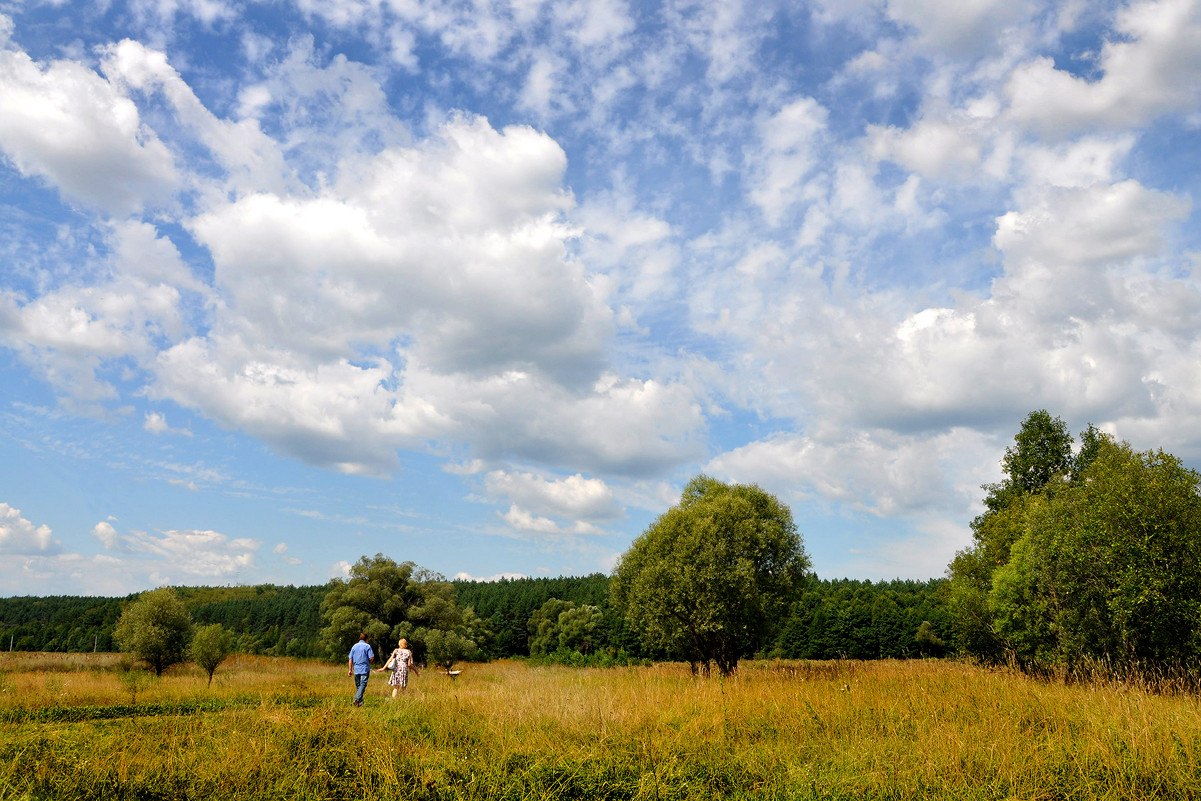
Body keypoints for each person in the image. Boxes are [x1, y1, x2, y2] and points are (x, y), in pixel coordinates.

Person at [348, 632, 374, 707]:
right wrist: (369, 663)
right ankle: (356, 699)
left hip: (356, 668)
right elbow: (371, 657)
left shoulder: (354, 646)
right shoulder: (367, 646)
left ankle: (360, 703)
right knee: (363, 684)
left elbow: (350, 659)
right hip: (365, 668)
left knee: (358, 685)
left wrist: (350, 670)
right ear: (366, 639)